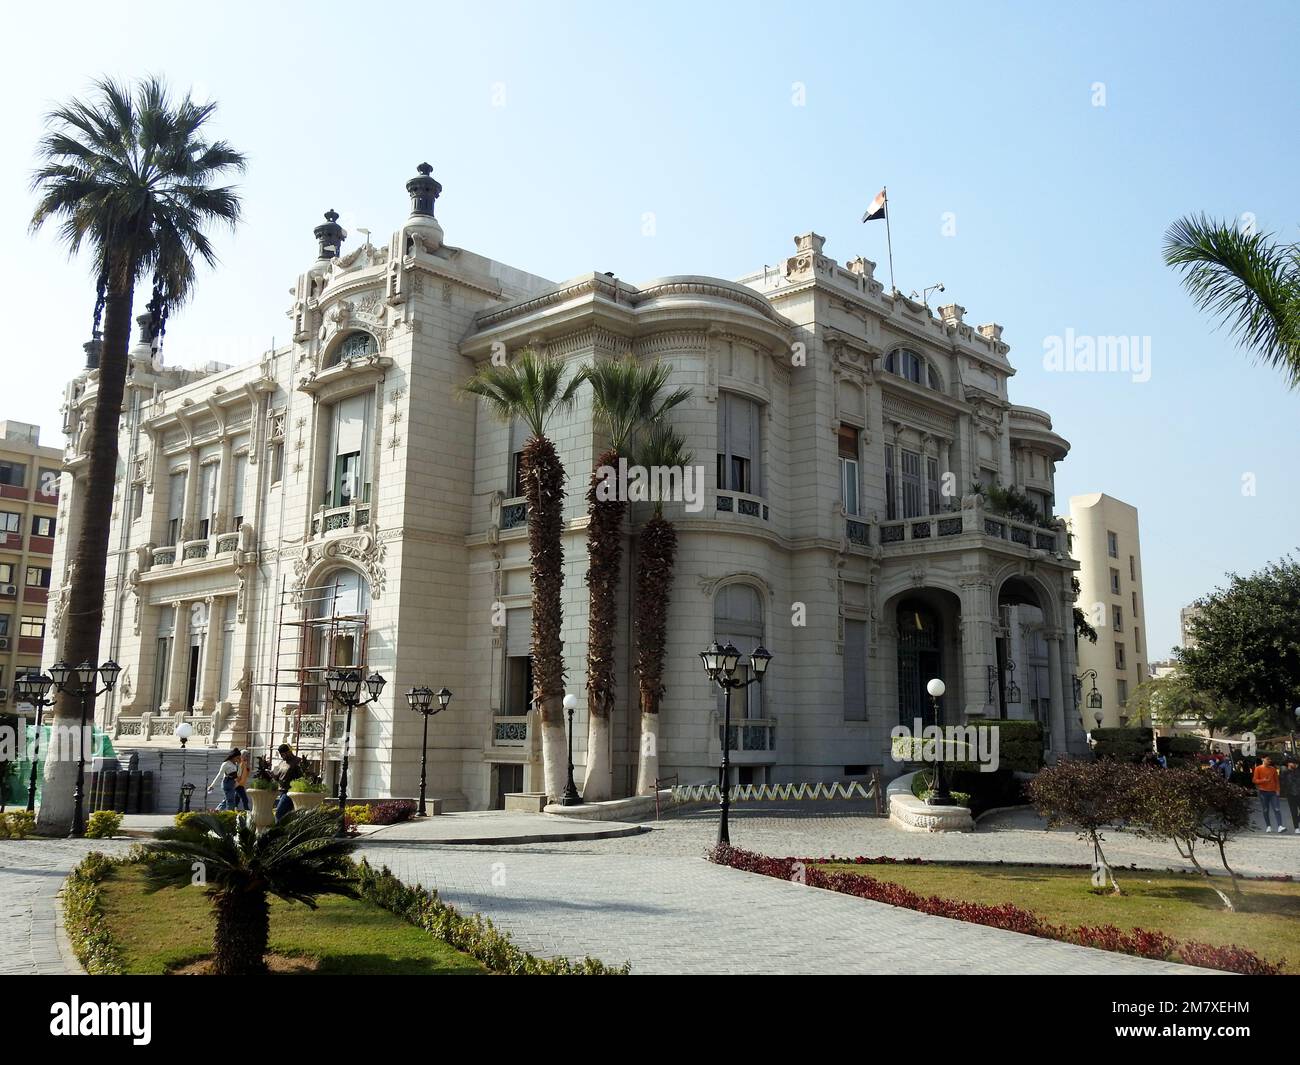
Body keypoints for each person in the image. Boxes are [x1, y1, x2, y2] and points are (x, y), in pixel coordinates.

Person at [272, 743, 303, 822]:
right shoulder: (282, 763)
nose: (282, 756)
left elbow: (302, 777)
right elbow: (277, 776)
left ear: (288, 752)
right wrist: (271, 774)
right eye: (281, 755)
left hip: (290, 793)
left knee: (279, 814)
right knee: (286, 817)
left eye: (283, 754)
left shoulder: (297, 761)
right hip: (282, 792)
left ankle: (277, 832)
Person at [1252, 755, 1283, 832]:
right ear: (1263, 759)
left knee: (1277, 809)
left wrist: (1278, 790)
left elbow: (1277, 781)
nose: (1269, 760)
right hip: (1263, 792)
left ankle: (1280, 826)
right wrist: (1263, 780)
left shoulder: (1273, 769)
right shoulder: (1258, 768)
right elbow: (1254, 780)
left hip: (1273, 792)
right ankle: (1268, 826)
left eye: (1270, 759)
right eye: (1268, 759)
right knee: (1265, 809)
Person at [1281, 759, 1300, 835]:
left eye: (1295, 763)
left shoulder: (1298, 771)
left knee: (1295, 814)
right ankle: (1296, 828)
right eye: (1293, 763)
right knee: (1294, 812)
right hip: (1290, 795)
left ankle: (1297, 820)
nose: (1295, 764)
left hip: (1299, 793)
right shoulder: (1284, 772)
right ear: (1288, 763)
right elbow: (1282, 783)